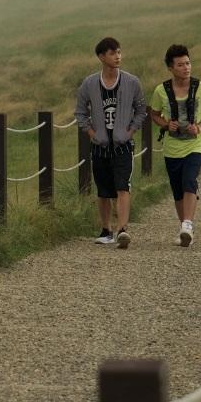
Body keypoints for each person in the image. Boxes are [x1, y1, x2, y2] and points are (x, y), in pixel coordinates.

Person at [75, 36, 146, 249]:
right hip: (100, 146)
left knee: (123, 186)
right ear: (101, 57)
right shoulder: (89, 84)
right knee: (104, 190)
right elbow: (80, 112)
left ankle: (122, 229)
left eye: (119, 52)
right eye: (113, 53)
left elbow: (141, 109)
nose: (118, 56)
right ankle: (106, 230)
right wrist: (91, 133)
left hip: (123, 145)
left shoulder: (132, 82)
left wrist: (130, 130)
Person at [148, 44, 201, 247]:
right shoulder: (161, 91)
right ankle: (185, 228)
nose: (186, 68)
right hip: (172, 146)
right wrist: (166, 124)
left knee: (189, 180)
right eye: (180, 65)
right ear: (170, 68)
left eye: (188, 63)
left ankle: (188, 223)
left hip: (195, 144)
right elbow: (154, 113)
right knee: (177, 189)